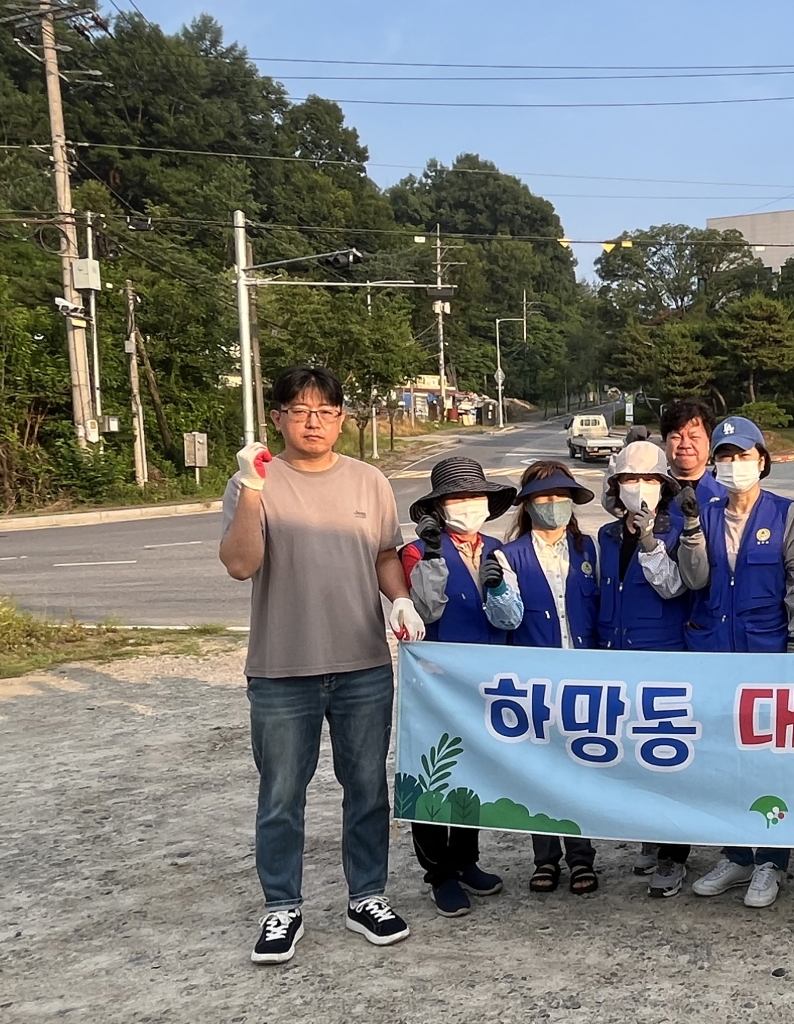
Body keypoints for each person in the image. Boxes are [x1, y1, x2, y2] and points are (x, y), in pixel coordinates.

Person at [218, 364, 419, 965]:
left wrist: (401, 598)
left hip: (362, 663)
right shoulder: (255, 479)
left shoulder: (369, 482)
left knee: (366, 788)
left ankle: (368, 895)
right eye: (299, 409)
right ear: (276, 416)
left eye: (326, 411)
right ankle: (282, 905)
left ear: (341, 419)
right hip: (282, 667)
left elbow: (385, 554)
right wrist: (251, 490)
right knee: (281, 792)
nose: (313, 421)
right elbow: (239, 564)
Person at [684, 416, 794, 910]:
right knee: (726, 759)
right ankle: (737, 854)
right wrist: (693, 530)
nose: (733, 464)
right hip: (714, 651)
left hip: (767, 651)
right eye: (725, 456)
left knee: (769, 758)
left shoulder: (784, 514)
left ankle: (771, 861)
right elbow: (694, 580)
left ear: (762, 461)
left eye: (743, 456)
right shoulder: (702, 509)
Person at [398, 456, 526, 918]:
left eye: (475, 497)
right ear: (438, 507)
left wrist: (498, 590)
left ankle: (466, 859)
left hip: (485, 679)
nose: (468, 506)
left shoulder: (496, 548)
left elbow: (510, 617)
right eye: (457, 498)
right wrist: (433, 557)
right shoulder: (416, 552)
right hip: (436, 681)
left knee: (472, 775)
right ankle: (440, 873)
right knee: (434, 773)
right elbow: (426, 611)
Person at [593, 438, 710, 896]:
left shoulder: (678, 529)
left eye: (646, 479)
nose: (637, 487)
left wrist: (649, 542)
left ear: (663, 485)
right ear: (615, 485)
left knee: (668, 757)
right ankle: (650, 833)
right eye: (628, 479)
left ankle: (673, 853)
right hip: (618, 654)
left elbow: (676, 588)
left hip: (665, 656)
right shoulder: (604, 536)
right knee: (635, 754)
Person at [503, 459, 606, 898]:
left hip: (582, 675)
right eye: (543, 498)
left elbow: (600, 611)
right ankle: (545, 858)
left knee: (578, 770)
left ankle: (582, 857)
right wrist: (494, 588)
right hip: (535, 681)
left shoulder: (587, 552)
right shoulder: (507, 556)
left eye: (561, 497)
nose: (553, 505)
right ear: (527, 505)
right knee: (539, 772)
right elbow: (505, 618)